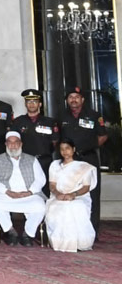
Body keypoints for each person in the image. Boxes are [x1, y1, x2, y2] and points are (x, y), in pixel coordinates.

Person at [56, 85, 106, 231]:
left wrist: (88, 147)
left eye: (77, 97)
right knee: (68, 191)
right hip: (69, 160)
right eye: (71, 97)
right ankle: (71, 229)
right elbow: (57, 139)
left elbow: (103, 136)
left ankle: (92, 230)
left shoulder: (94, 115)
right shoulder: (61, 117)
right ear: (67, 100)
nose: (74, 100)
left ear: (82, 99)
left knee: (92, 194)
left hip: (88, 159)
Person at [0, 131, 47, 246]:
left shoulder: (32, 159)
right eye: (10, 143)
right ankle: (10, 231)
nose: (13, 145)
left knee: (40, 206)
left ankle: (28, 234)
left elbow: (41, 179)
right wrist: (7, 192)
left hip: (29, 195)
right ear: (6, 144)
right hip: (7, 195)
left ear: (21, 144)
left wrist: (29, 192)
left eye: (16, 142)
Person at [45, 138, 97, 253]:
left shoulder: (83, 167)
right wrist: (58, 194)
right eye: (62, 149)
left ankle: (80, 242)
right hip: (58, 196)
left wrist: (73, 194)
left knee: (75, 206)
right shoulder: (55, 165)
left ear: (73, 149)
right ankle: (61, 243)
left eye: (67, 148)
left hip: (79, 196)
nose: (65, 152)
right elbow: (52, 185)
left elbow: (86, 187)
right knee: (59, 207)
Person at [12, 88, 58, 176]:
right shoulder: (18, 122)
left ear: (39, 104)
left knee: (45, 188)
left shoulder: (49, 122)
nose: (32, 104)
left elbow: (55, 142)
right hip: (25, 161)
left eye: (34, 101)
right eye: (29, 102)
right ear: (25, 104)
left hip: (45, 161)